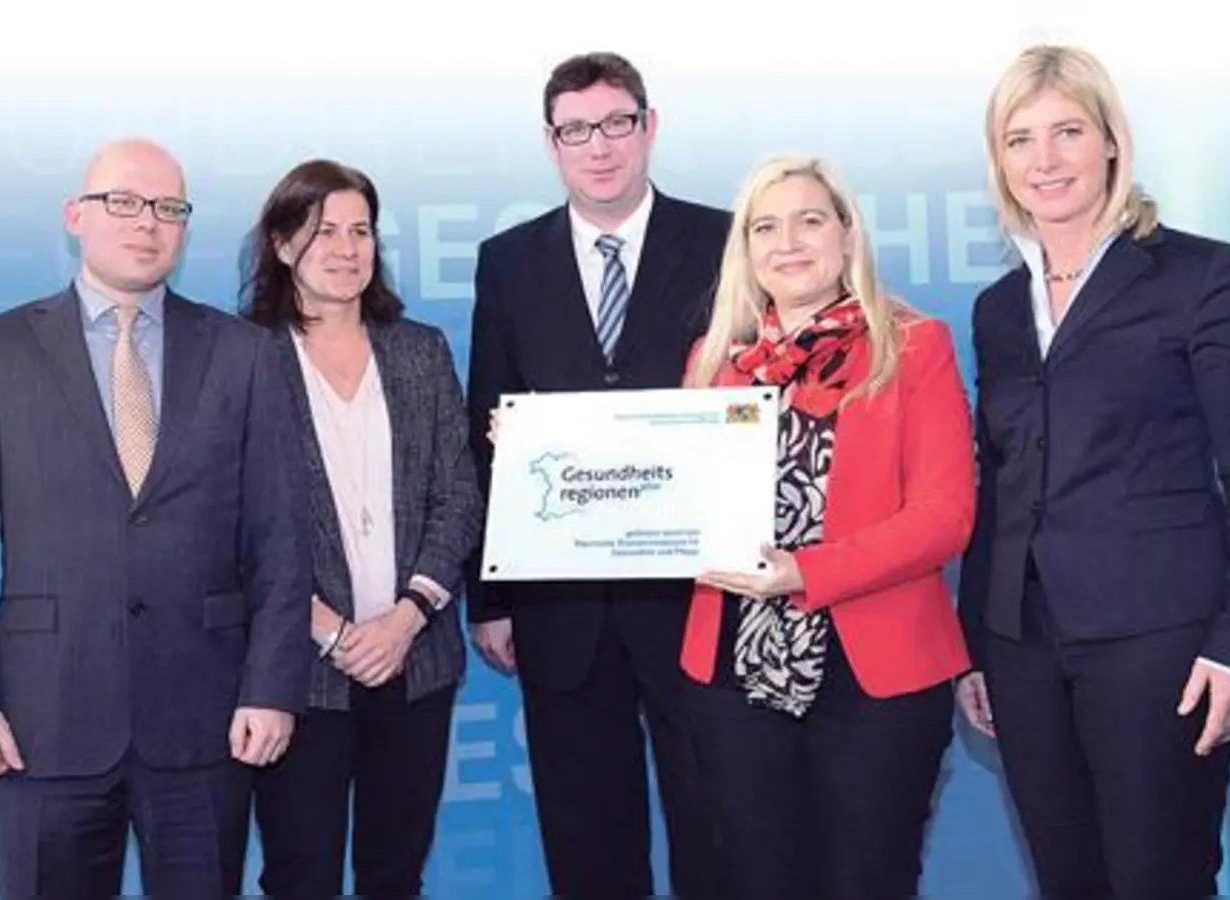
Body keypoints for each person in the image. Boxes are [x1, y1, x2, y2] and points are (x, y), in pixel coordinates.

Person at [0, 138, 311, 898]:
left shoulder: (243, 354)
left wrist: (271, 687)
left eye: (169, 208)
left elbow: (279, 539)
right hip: (41, 723)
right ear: (76, 216)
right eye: (123, 202)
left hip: (207, 720)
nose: (146, 223)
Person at [955, 45, 1230, 899]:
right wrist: (974, 646)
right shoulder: (997, 309)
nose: (1045, 159)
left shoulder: (1200, 274)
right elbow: (997, 483)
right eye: (1020, 138)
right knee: (1069, 882)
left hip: (1162, 642)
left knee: (1159, 880)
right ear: (999, 160)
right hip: (1022, 648)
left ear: (1111, 141)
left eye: (1067, 131)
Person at [464, 51, 729, 898]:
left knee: (717, 834)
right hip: (561, 606)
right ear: (552, 144)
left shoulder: (725, 242)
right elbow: (488, 426)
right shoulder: (508, 261)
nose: (600, 147)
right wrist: (493, 596)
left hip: (698, 595)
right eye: (577, 130)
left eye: (617, 124)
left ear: (649, 128)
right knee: (586, 844)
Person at [679, 154, 977, 899]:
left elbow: (946, 516)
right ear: (745, 251)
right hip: (734, 676)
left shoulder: (915, 346)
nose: (789, 242)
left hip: (876, 678)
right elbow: (670, 498)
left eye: (810, 220)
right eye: (766, 227)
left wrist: (805, 572)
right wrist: (544, 458)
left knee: (867, 882)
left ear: (847, 236)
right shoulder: (716, 361)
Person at [240, 159, 481, 897]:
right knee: (300, 873)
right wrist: (337, 636)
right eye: (323, 232)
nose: (346, 249)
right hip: (300, 673)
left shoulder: (419, 350)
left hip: (417, 663)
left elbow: (460, 496)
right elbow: (229, 525)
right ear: (282, 245)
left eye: (361, 231)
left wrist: (408, 616)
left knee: (394, 872)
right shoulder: (241, 359)